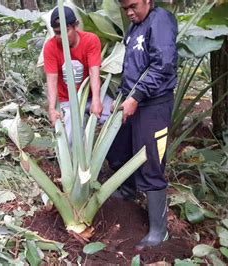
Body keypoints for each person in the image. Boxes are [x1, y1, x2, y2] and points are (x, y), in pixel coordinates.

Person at [106, 0, 178, 250]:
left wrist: (136, 96)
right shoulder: (135, 26)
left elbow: (163, 65)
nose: (129, 12)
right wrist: (124, 96)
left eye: (133, 6)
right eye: (125, 8)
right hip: (131, 101)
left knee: (150, 160)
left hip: (154, 104)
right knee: (119, 149)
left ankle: (159, 229)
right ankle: (128, 191)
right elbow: (132, 67)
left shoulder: (160, 21)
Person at [43, 6, 112, 139]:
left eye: (66, 31)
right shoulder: (50, 47)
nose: (61, 37)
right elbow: (51, 80)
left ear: (76, 26)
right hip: (66, 100)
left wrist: (96, 100)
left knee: (112, 115)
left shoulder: (90, 40)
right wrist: (52, 108)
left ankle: (112, 158)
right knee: (69, 138)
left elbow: (94, 72)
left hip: (90, 95)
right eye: (57, 33)